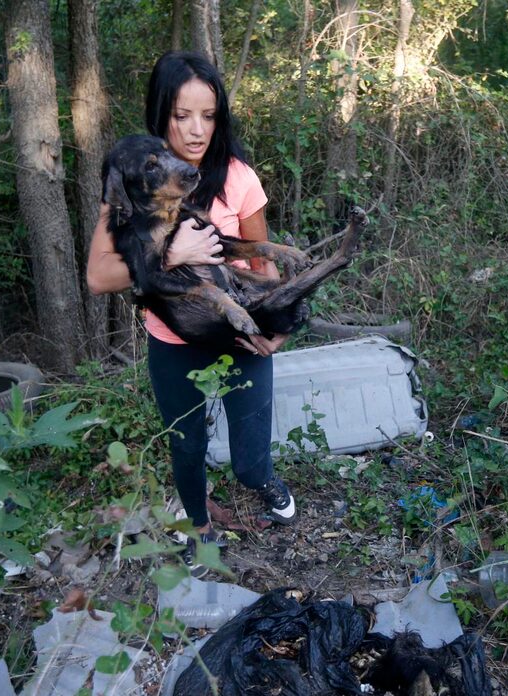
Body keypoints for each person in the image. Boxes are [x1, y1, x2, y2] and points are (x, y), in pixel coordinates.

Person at [87, 51, 296, 572]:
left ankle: (260, 478)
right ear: (161, 116)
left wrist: (277, 329)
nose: (196, 131)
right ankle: (199, 526)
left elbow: (258, 259)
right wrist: (172, 254)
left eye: (208, 115)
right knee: (187, 447)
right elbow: (98, 276)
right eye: (182, 116)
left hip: (239, 336)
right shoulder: (137, 180)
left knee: (249, 459)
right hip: (175, 341)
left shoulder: (239, 178)